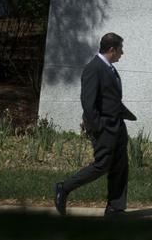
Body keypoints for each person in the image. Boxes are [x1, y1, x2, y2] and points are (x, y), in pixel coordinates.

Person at [55, 32, 136, 216]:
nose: (122, 53)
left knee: (120, 166)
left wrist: (124, 115)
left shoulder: (109, 69)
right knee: (102, 165)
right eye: (121, 49)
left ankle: (115, 207)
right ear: (112, 49)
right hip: (105, 127)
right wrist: (98, 127)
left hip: (117, 125)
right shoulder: (94, 68)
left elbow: (110, 98)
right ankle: (64, 188)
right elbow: (88, 102)